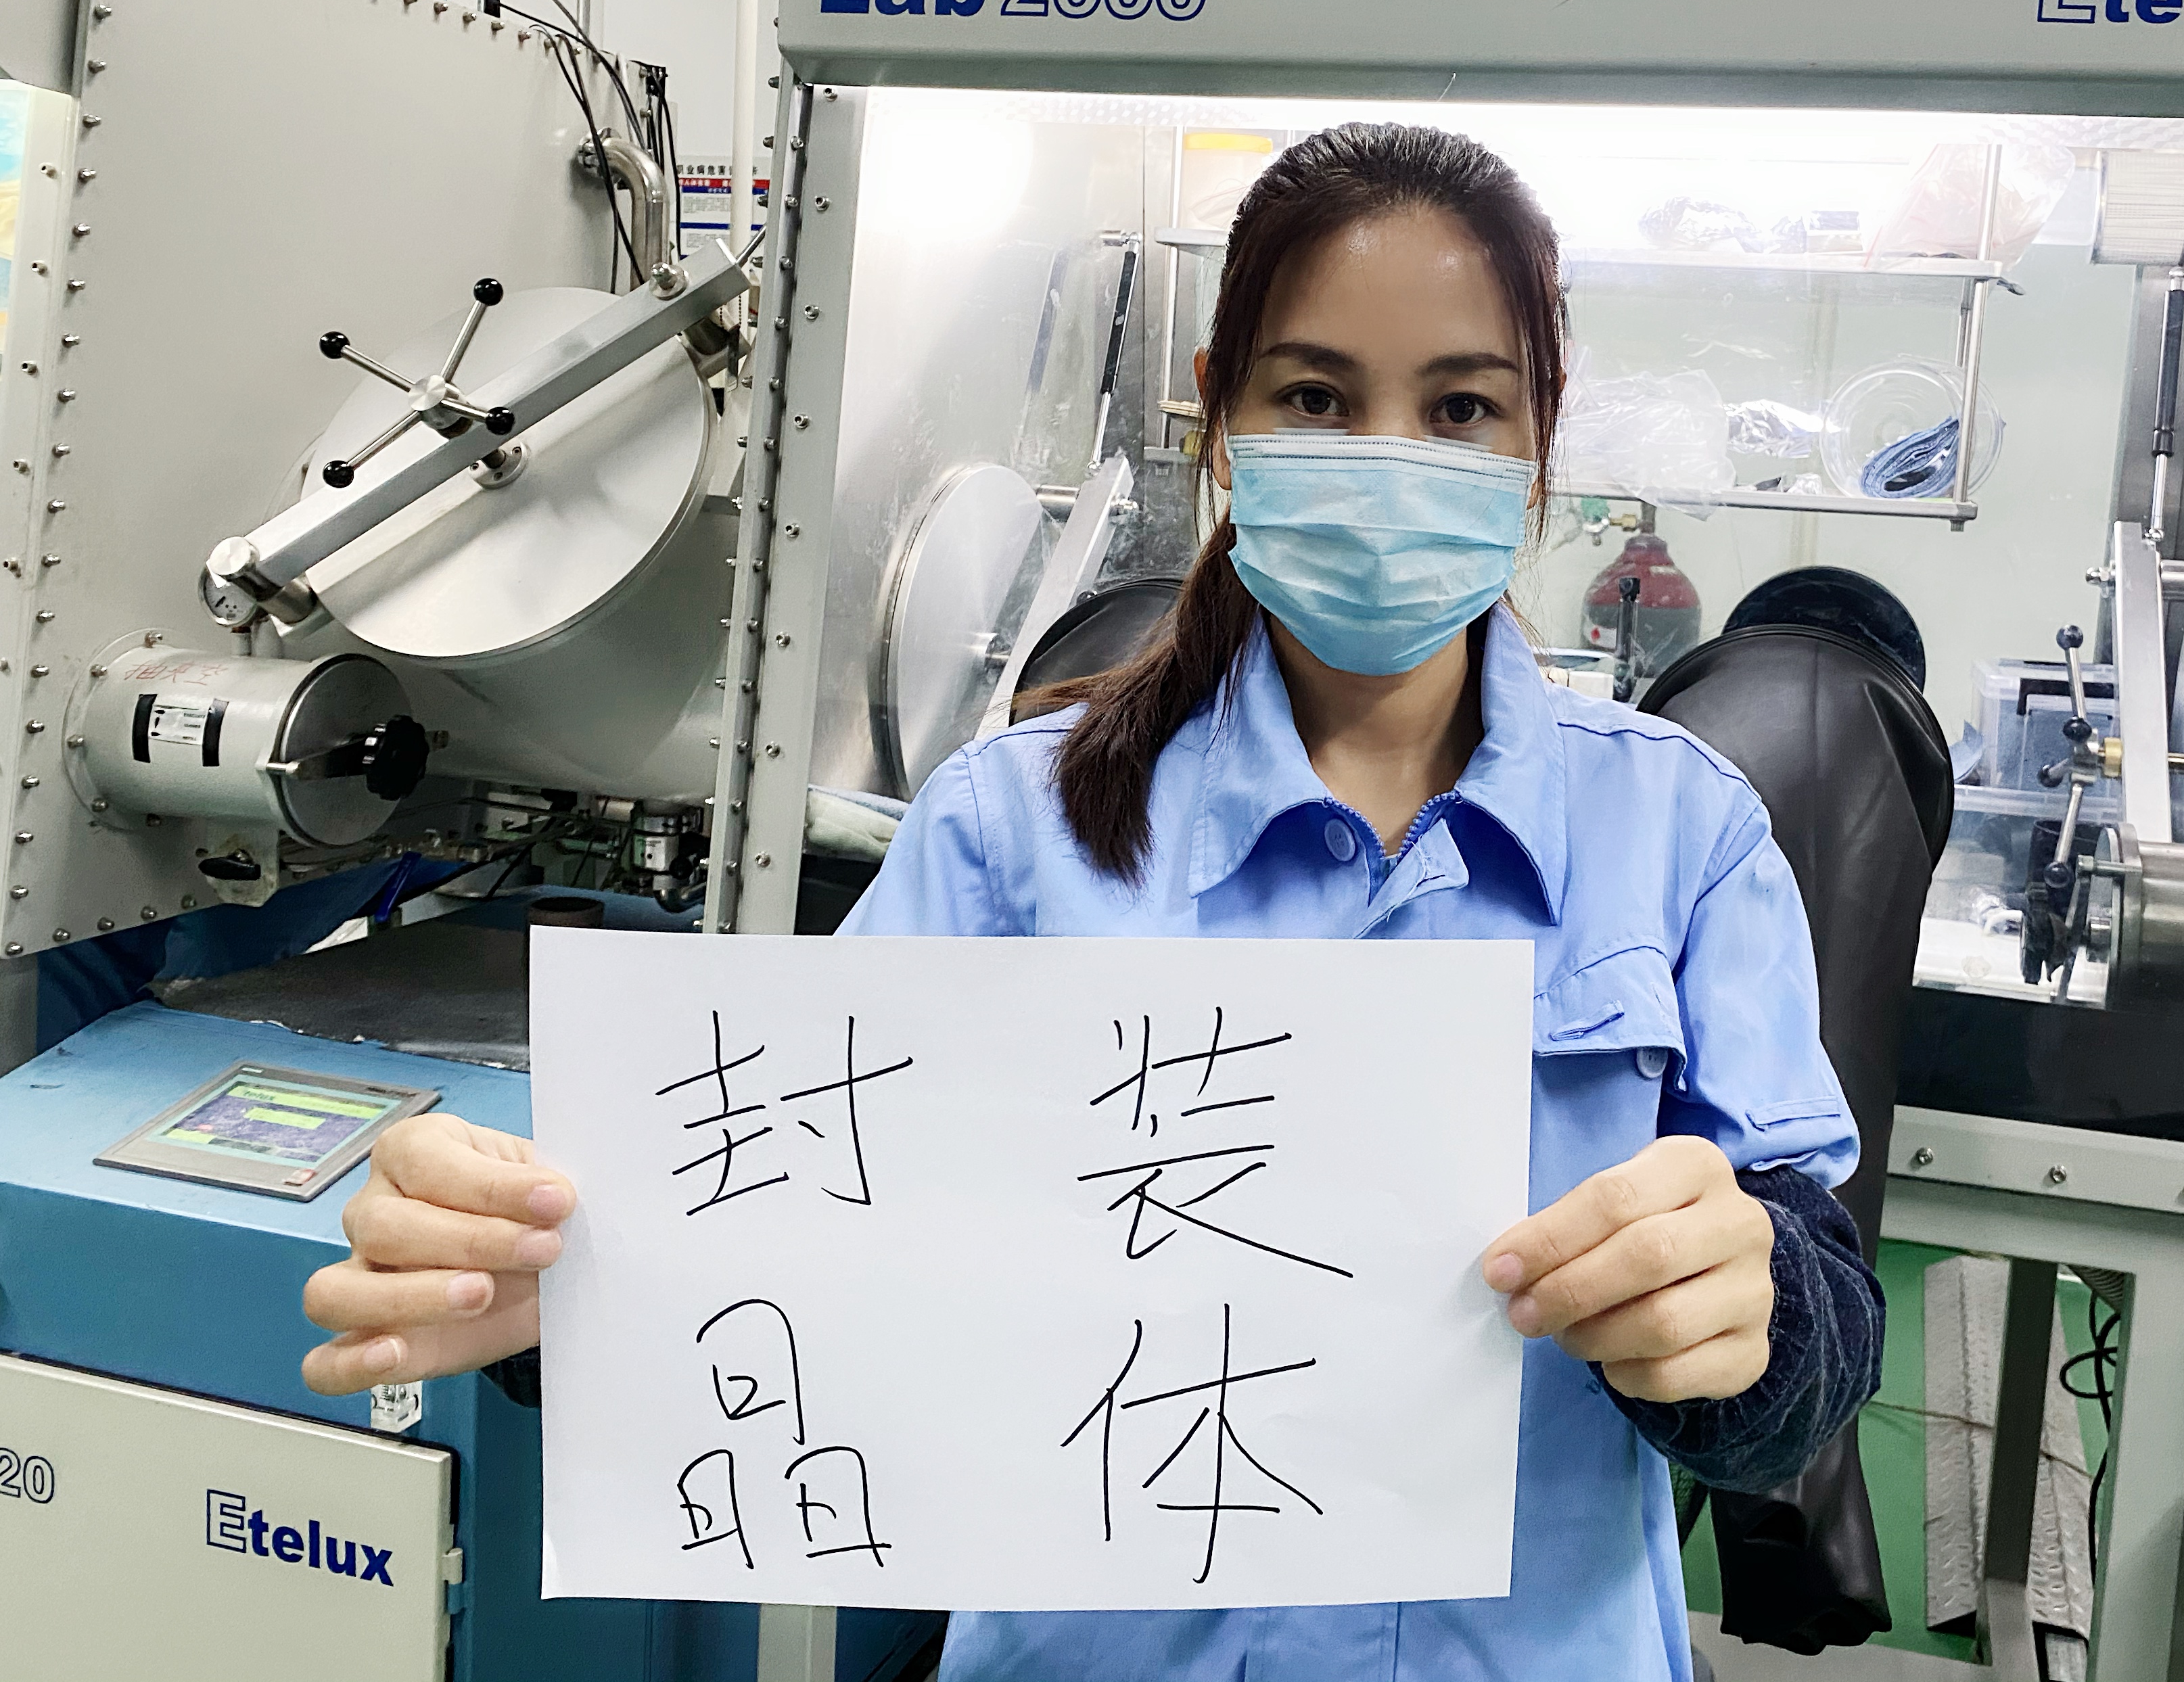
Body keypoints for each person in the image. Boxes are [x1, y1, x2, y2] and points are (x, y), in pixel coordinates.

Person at [300, 121, 1885, 1681]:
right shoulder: (1012, 828)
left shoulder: (1680, 833)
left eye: (1461, 407)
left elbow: (1808, 1351)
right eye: (1316, 397)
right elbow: (795, 1261)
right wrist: (553, 1290)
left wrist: (1750, 1319)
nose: (1386, 459)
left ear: (1542, 435)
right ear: (1220, 417)